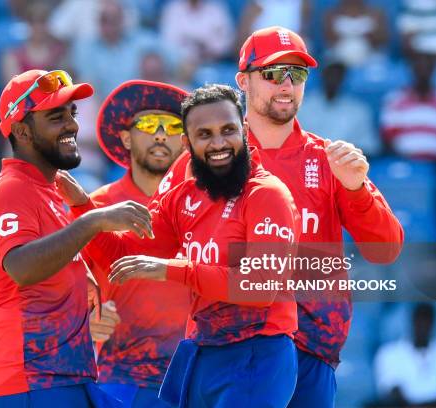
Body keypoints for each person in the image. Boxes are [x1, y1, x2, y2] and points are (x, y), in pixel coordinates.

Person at [153, 26, 404, 407]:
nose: (286, 84)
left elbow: (386, 250)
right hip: (228, 345)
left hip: (311, 347)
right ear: (243, 81)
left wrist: (356, 189)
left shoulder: (328, 159)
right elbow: (152, 238)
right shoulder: (201, 160)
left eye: (297, 74)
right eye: (272, 74)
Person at [61, 84, 301, 407]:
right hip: (200, 353)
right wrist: (82, 208)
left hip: (257, 352)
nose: (219, 143)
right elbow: (126, 254)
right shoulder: (184, 194)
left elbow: (258, 287)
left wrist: (172, 269)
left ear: (244, 131)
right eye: (204, 135)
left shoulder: (267, 195)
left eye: (228, 130)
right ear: (187, 144)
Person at [0, 69, 153, 407]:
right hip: (27, 382)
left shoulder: (50, 191)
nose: (72, 125)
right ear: (22, 131)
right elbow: (21, 266)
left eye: (72, 114)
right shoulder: (11, 189)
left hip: (59, 378)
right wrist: (93, 220)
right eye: (56, 117)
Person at [87, 80, 192, 407]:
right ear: (126, 137)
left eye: (173, 125)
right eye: (149, 124)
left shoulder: (207, 206)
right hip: (121, 378)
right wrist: (84, 318)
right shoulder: (95, 208)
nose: (161, 134)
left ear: (185, 142)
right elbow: (61, 286)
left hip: (193, 376)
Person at [374, 303, 436, 407]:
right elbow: (392, 390)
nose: (423, 326)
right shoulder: (389, 353)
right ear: (411, 322)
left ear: (434, 323)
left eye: (427, 321)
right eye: (419, 321)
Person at [297, 60, 381, 157]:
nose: (333, 78)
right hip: (308, 163)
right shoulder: (302, 105)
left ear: (344, 78)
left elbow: (368, 147)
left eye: (338, 75)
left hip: (345, 165)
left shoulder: (359, 110)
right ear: (322, 75)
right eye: (330, 73)